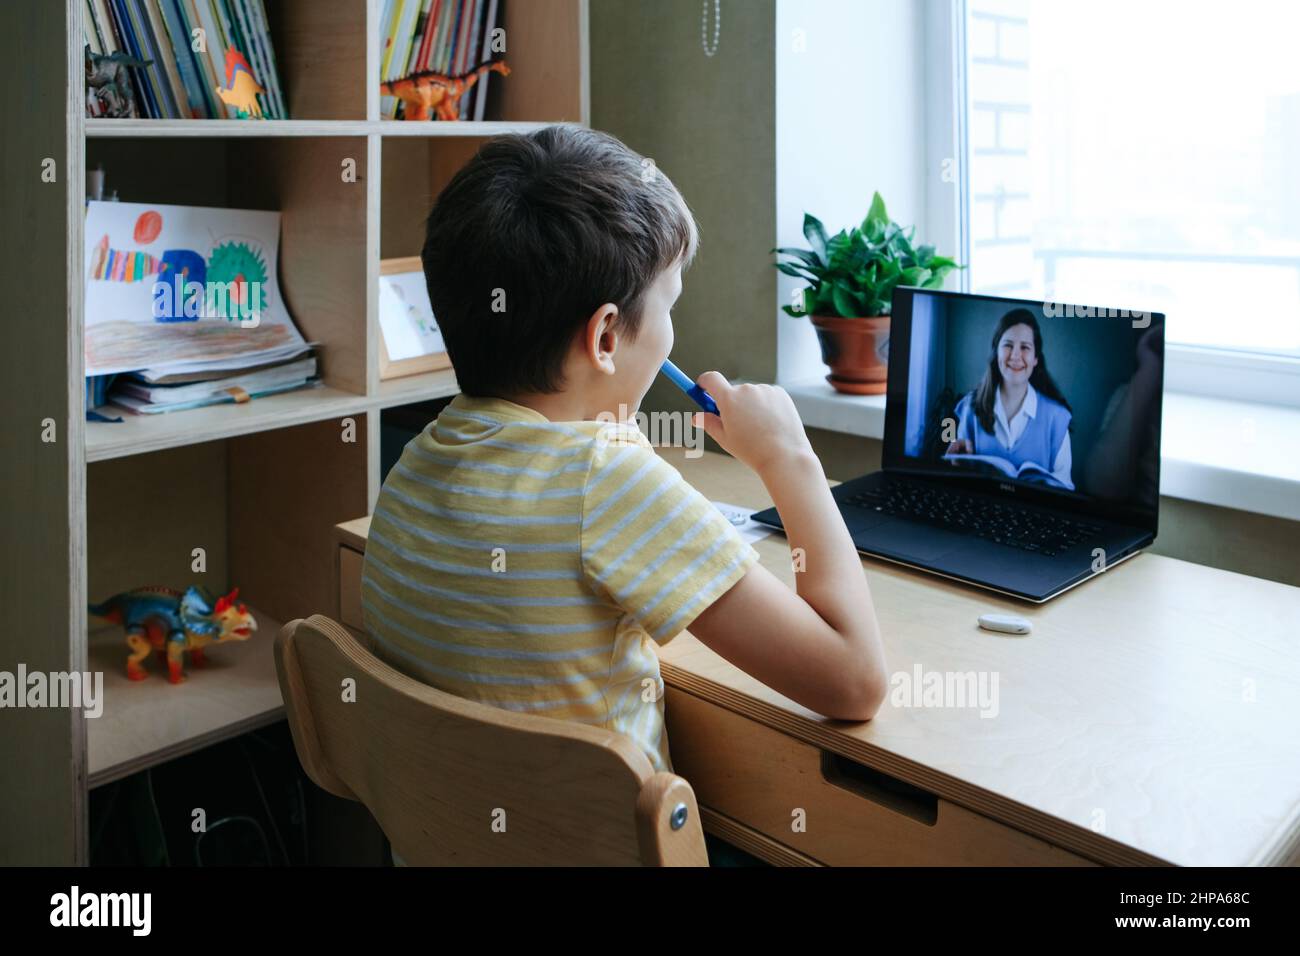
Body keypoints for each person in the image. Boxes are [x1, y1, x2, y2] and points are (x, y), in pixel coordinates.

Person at [361, 125, 887, 792]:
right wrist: (790, 458)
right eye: (668, 304)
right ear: (606, 335)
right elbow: (855, 682)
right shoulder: (607, 485)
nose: (671, 332)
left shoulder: (418, 460)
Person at [947, 308, 1075, 490]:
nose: (1015, 356)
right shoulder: (969, 406)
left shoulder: (1058, 418)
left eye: (1025, 347)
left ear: (1036, 358)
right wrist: (955, 461)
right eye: (1007, 345)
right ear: (996, 352)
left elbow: (1065, 490)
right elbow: (956, 466)